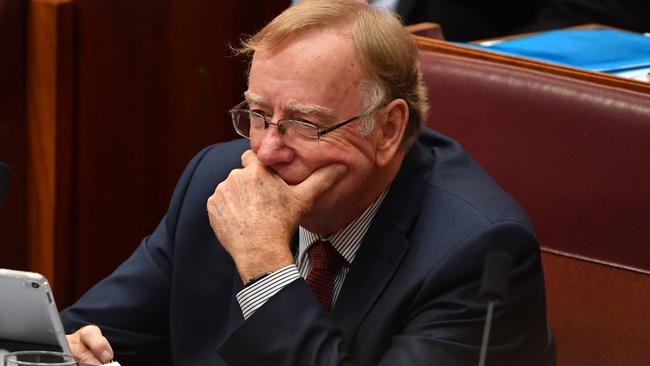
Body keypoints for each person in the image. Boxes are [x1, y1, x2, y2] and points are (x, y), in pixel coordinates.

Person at [61, 1, 555, 365]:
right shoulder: (217, 181)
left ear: (387, 129)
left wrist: (265, 266)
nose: (266, 151)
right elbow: (79, 332)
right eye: (258, 114)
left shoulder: (479, 252)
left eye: (305, 123)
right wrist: (73, 351)